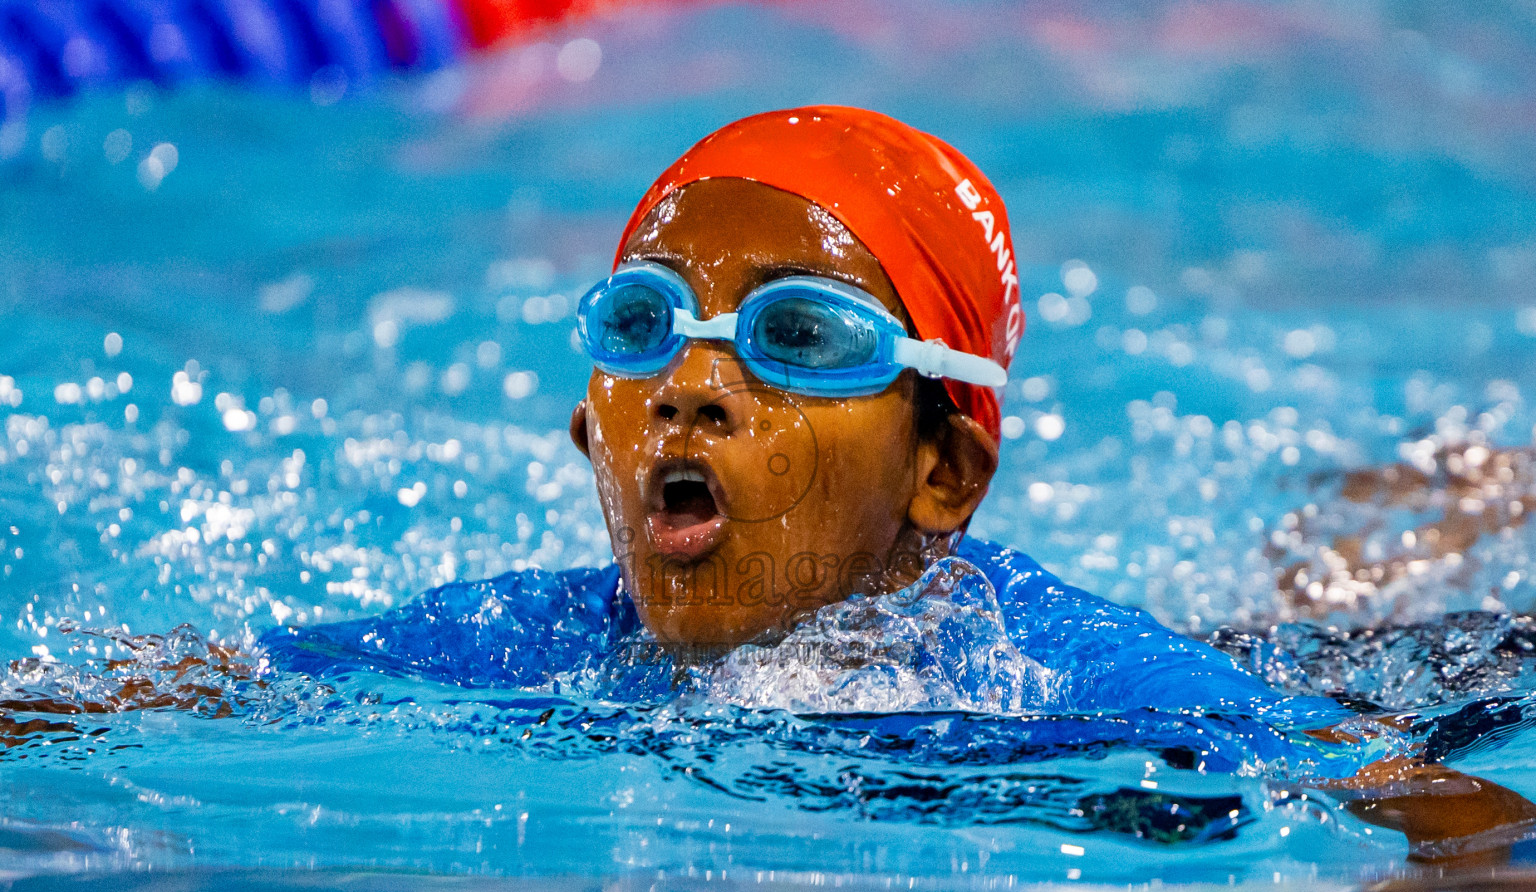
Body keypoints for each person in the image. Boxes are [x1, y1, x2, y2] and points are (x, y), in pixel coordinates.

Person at [260, 106, 1339, 722]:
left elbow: (1402, 800)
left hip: (1341, 666)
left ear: (944, 474)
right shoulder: (524, 645)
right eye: (645, 322)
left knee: (1316, 618)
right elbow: (187, 692)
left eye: (800, 337)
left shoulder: (1052, 675)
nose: (688, 388)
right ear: (592, 432)